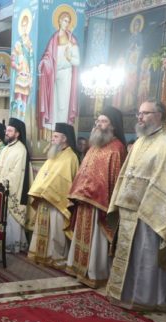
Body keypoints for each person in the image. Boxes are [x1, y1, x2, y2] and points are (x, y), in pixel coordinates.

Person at [107, 100, 166, 311]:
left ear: (159, 115)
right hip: (129, 210)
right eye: (139, 113)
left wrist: (147, 205)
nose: (140, 117)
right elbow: (126, 174)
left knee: (146, 255)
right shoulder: (140, 142)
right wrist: (121, 199)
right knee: (130, 254)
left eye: (145, 113)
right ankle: (124, 293)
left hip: (151, 212)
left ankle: (146, 298)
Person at [66, 107, 127, 287]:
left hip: (100, 205)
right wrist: (78, 192)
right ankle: (78, 268)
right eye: (98, 121)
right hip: (84, 200)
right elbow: (83, 172)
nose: (99, 124)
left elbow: (115, 180)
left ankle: (94, 273)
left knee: (96, 239)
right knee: (82, 236)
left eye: (104, 121)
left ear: (113, 126)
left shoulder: (117, 148)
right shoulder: (93, 146)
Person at [28, 123, 79, 269]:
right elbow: (44, 175)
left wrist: (49, 191)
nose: (52, 139)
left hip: (58, 201)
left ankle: (57, 257)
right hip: (45, 198)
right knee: (43, 229)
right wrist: (40, 190)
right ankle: (41, 255)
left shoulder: (71, 157)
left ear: (64, 138)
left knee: (56, 231)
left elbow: (66, 180)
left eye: (55, 136)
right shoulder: (53, 154)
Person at [0, 117, 32, 253]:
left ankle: (13, 245)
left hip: (12, 190)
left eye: (10, 131)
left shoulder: (21, 150)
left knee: (11, 219)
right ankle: (1, 242)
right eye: (7, 130)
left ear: (17, 133)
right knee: (2, 218)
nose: (7, 133)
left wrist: (3, 182)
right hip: (0, 189)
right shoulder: (6, 148)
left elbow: (17, 173)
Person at [37, 9, 80, 130]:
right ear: (59, 21)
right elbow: (48, 55)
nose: (66, 23)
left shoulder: (72, 40)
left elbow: (77, 61)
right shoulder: (54, 39)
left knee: (63, 102)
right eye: (64, 20)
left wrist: (69, 57)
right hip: (53, 73)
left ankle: (62, 128)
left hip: (66, 73)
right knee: (53, 101)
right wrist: (44, 62)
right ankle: (53, 127)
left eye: (68, 21)